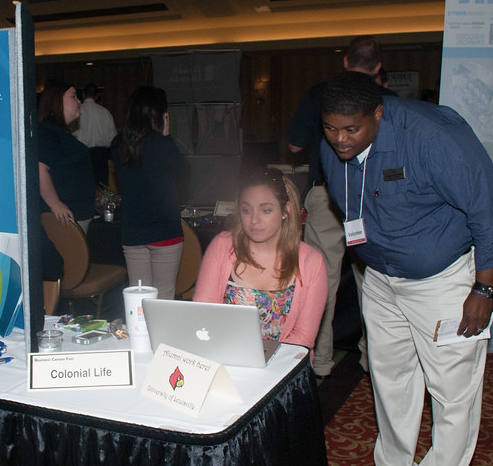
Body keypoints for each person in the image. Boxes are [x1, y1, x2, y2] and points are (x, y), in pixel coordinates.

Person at [319, 71, 493, 466]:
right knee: (389, 377)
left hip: (445, 282)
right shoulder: (334, 137)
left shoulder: (435, 139)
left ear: (379, 114)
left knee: (452, 397)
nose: (340, 140)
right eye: (331, 129)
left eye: (352, 130)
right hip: (382, 277)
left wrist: (484, 289)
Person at [286, 35, 398, 377]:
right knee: (374, 282)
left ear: (345, 62)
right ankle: (371, 357)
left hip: (327, 196)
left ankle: (319, 360)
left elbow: (293, 145)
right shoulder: (389, 102)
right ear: (378, 67)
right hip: (376, 198)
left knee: (322, 280)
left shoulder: (320, 94)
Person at [193, 168, 326, 349]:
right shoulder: (222, 246)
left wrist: (263, 362)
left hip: (284, 366)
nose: (254, 220)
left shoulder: (311, 261)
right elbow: (202, 315)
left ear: (285, 210)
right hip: (225, 356)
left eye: (266, 210)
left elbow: (303, 337)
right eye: (247, 210)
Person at [110, 86, 189, 300]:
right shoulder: (162, 144)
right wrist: (165, 135)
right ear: (159, 114)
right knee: (163, 298)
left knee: (139, 299)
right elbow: (184, 176)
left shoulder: (118, 145)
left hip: (133, 231)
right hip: (164, 231)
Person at [36, 80, 96, 231]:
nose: (79, 101)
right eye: (73, 96)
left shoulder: (58, 132)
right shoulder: (48, 132)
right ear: (57, 100)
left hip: (74, 217)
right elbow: (39, 169)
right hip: (65, 220)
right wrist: (55, 204)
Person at [74, 82, 116, 187]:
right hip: (101, 156)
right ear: (97, 96)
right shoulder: (105, 112)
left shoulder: (77, 111)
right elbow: (113, 138)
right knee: (102, 189)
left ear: (83, 95)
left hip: (81, 154)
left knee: (83, 187)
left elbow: (72, 135)